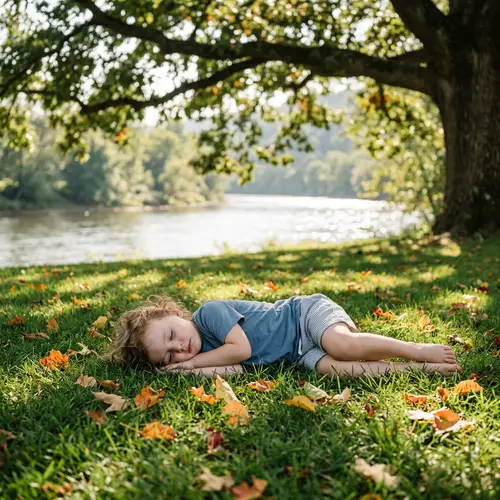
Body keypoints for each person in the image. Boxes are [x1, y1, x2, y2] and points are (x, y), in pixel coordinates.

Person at [104, 294, 461, 378]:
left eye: (171, 334)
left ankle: (415, 350)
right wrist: (185, 372)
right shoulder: (199, 357)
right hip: (296, 352)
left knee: (342, 345)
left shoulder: (209, 313)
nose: (178, 348)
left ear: (176, 313)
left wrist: (193, 362)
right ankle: (419, 370)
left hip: (304, 317)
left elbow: (240, 352)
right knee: (333, 369)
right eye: (168, 357)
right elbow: (234, 371)